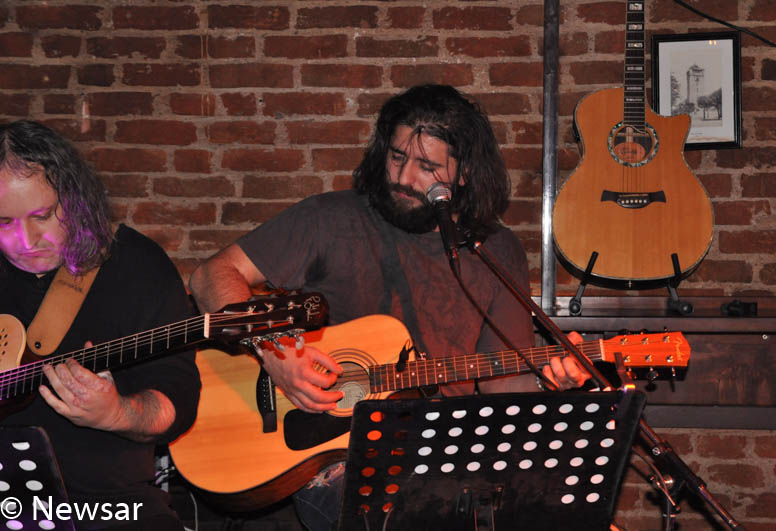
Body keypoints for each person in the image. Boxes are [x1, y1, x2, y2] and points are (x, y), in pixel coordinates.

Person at [189, 84, 591, 530]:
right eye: (397, 157)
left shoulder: (494, 250)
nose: (403, 177)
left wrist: (553, 380)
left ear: (463, 174)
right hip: (334, 456)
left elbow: (503, 385)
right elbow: (211, 275)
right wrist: (275, 351)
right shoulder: (330, 218)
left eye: (427, 167)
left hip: (443, 454)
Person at [0, 120, 201, 530]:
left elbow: (177, 402)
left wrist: (116, 413)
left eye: (42, 215)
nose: (25, 240)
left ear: (74, 197)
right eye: (3, 222)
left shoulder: (135, 265)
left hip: (108, 507)